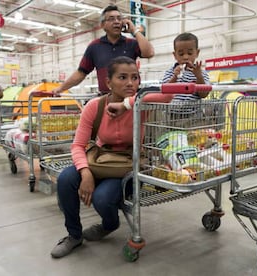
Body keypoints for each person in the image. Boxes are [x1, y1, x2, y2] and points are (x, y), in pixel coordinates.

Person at [51, 56, 174, 259]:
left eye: (135, 78)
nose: (130, 83)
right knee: (65, 180)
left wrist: (127, 104)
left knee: (102, 199)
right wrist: (85, 173)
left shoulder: (140, 105)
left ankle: (110, 224)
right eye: (123, 77)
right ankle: (74, 235)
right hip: (100, 160)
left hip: (128, 165)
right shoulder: (95, 106)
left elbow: (166, 97)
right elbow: (78, 145)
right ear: (108, 82)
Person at [51, 5, 154, 95]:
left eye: (119, 18)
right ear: (102, 25)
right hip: (106, 99)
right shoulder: (94, 46)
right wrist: (61, 88)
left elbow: (149, 53)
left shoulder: (131, 43)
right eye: (111, 19)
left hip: (129, 100)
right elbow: (81, 73)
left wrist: (134, 30)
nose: (117, 22)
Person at [161, 32, 210, 101]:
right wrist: (175, 77)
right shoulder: (170, 72)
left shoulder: (202, 73)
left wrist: (199, 77)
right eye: (181, 54)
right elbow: (164, 92)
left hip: (194, 111)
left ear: (197, 53)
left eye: (190, 53)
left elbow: (204, 94)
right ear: (175, 55)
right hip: (172, 111)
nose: (185, 57)